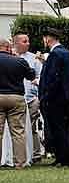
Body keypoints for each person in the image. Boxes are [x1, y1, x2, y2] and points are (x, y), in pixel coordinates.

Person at [37, 28, 69, 166]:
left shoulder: (55, 54)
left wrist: (45, 96)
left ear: (48, 38)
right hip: (64, 97)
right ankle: (61, 157)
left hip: (55, 98)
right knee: (61, 128)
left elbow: (53, 78)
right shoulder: (65, 53)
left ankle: (62, 158)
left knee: (57, 129)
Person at [0, 37, 36, 167]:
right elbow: (31, 75)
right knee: (18, 132)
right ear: (8, 47)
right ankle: (20, 162)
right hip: (16, 97)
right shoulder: (20, 61)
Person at [14, 34, 43, 159]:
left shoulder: (33, 59)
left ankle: (35, 153)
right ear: (16, 43)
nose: (28, 43)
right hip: (16, 98)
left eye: (28, 41)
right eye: (25, 41)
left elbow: (41, 76)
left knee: (31, 126)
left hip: (31, 99)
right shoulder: (11, 57)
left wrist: (35, 83)